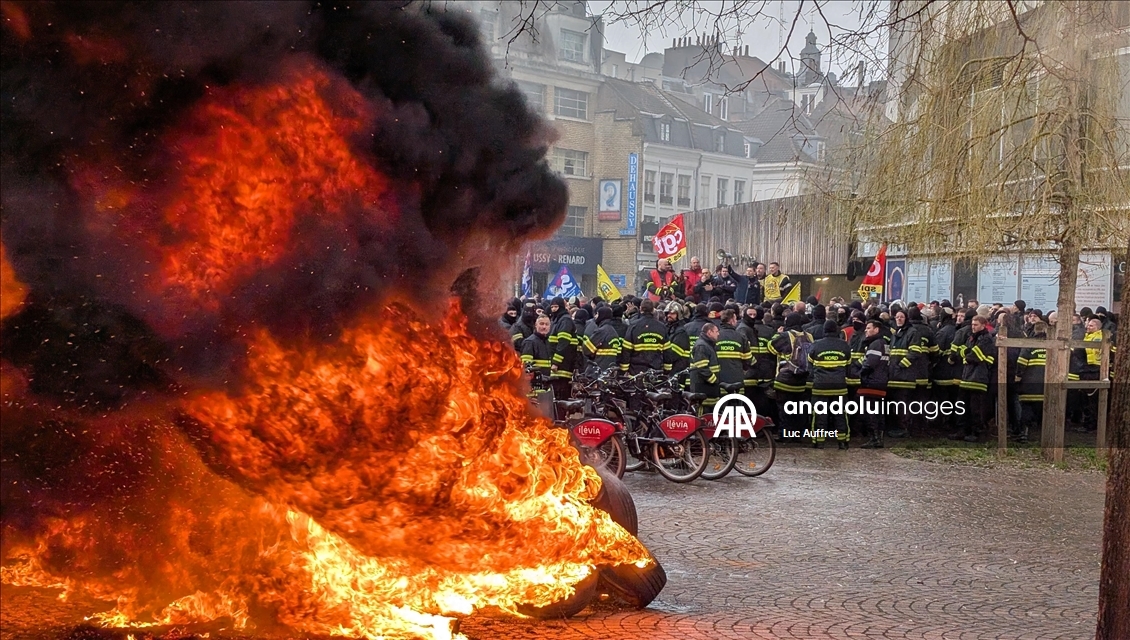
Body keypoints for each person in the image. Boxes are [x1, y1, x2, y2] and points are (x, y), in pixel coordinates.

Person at [808, 319, 852, 449]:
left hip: (820, 388)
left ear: (824, 331)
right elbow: (849, 369)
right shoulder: (845, 346)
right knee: (841, 415)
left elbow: (809, 368)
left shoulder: (816, 345)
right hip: (839, 388)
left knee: (819, 416)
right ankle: (843, 442)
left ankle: (818, 441)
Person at [952, 315, 995, 442]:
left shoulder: (986, 339)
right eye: (972, 325)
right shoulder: (971, 338)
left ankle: (977, 433)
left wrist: (966, 354)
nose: (973, 327)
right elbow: (962, 351)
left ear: (983, 325)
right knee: (962, 407)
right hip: (966, 377)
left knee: (976, 409)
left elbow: (975, 355)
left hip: (978, 379)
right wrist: (966, 354)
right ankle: (962, 431)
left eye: (976, 325)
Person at [769, 313, 811, 436]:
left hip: (785, 379)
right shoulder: (809, 336)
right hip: (803, 380)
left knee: (784, 409)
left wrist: (778, 333)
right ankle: (799, 435)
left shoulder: (786, 336)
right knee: (800, 409)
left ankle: (785, 435)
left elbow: (771, 347)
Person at [886, 309, 920, 438]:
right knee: (896, 404)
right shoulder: (896, 333)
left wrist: (901, 365)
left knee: (903, 403)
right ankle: (897, 427)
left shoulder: (912, 333)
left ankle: (904, 428)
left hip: (905, 376)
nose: (899, 319)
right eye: (897, 317)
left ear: (906, 319)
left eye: (901, 317)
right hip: (894, 376)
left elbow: (915, 352)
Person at [857, 320, 890, 449]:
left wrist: (860, 373)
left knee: (869, 411)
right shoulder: (883, 343)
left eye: (869, 328)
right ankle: (879, 438)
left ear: (876, 330)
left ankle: (874, 438)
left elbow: (870, 364)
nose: (866, 330)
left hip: (872, 382)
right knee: (878, 412)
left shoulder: (875, 344)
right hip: (881, 381)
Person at [1015, 321, 1048, 444]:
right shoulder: (1053, 344)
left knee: (1027, 409)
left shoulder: (1029, 344)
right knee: (1045, 411)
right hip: (1047, 385)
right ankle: (1044, 437)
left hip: (1029, 384)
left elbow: (1021, 362)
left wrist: (1018, 377)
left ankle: (1025, 433)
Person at [622, 299, 668, 374]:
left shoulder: (633, 326)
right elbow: (667, 350)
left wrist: (624, 369)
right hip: (656, 371)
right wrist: (667, 369)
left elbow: (626, 349)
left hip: (636, 371)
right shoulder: (662, 327)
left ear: (640, 309)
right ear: (653, 310)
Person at [547, 296, 579, 402]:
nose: (554, 309)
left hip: (563, 367)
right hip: (558, 366)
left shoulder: (565, 320)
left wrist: (556, 362)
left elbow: (563, 343)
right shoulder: (557, 320)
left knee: (561, 394)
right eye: (552, 307)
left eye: (556, 307)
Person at [715, 309, 752, 390]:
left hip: (719, 378)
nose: (736, 321)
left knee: (721, 401)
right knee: (737, 401)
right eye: (735, 319)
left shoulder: (715, 336)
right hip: (737, 378)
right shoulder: (741, 337)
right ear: (731, 320)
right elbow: (748, 359)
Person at [689, 321, 722, 411]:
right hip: (703, 387)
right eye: (716, 331)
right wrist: (714, 380)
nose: (718, 334)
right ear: (709, 332)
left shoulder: (707, 345)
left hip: (708, 388)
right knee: (702, 415)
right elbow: (702, 367)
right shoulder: (702, 346)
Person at [582, 305, 623, 373]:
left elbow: (586, 350)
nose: (595, 316)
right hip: (610, 371)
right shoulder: (613, 331)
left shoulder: (601, 331)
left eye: (597, 314)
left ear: (602, 315)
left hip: (598, 370)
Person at [663, 301, 692, 378]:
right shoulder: (668, 328)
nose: (669, 315)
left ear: (679, 314)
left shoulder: (681, 332)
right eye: (668, 313)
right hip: (671, 371)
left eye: (672, 313)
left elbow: (672, 355)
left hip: (678, 371)